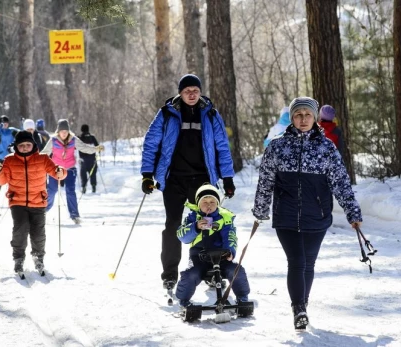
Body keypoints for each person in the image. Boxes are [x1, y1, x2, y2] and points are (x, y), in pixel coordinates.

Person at [252, 97, 363, 330]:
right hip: (286, 215)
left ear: (315, 118)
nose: (303, 119)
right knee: (297, 260)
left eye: (307, 115)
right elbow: (265, 182)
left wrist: (353, 212)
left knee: (309, 263)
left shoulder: (326, 147)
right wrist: (261, 210)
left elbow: (341, 182)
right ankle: (299, 309)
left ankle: (303, 303)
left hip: (317, 214)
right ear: (292, 118)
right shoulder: (277, 145)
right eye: (298, 115)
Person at [140, 74, 235, 291]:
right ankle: (170, 274)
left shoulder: (210, 114)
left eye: (195, 90)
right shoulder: (167, 113)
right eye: (187, 91)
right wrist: (147, 174)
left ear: (200, 92)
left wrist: (227, 177)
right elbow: (151, 143)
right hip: (174, 179)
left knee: (207, 224)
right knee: (172, 224)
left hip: (202, 180)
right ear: (180, 93)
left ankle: (209, 270)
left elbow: (222, 146)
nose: (191, 95)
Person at [0, 131, 65, 274]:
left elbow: (57, 172)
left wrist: (60, 171)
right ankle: (18, 259)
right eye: (22, 145)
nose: (25, 147)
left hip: (38, 201)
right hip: (17, 201)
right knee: (20, 229)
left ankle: (38, 257)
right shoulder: (9, 160)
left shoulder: (43, 158)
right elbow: (1, 181)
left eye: (28, 144)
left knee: (38, 233)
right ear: (16, 147)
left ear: (33, 145)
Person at [175, 184, 250, 314]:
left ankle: (242, 299)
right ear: (198, 204)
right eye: (204, 202)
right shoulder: (192, 218)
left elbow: (230, 236)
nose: (208, 205)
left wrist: (230, 251)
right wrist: (196, 227)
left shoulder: (225, 218)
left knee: (236, 271)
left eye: (212, 202)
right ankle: (184, 302)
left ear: (217, 204)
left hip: (221, 257)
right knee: (190, 274)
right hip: (199, 258)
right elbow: (182, 236)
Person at [41, 119, 104, 224]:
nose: (64, 133)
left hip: (70, 169)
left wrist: (96, 149)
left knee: (70, 191)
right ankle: (43, 211)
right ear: (58, 131)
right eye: (62, 131)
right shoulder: (53, 140)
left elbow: (84, 148)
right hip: (55, 169)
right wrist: (33, 160)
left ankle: (74, 215)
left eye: (66, 131)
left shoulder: (73, 139)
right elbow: (44, 153)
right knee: (52, 190)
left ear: (68, 131)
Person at [0, 115, 19, 204]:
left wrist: (22, 124)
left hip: (11, 157)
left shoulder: (12, 130)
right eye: (3, 123)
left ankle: (13, 197)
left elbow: (22, 134)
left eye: (6, 123)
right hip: (0, 158)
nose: (5, 125)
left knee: (13, 179)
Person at [77, 124, 99, 194]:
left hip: (83, 159)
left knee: (83, 174)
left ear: (81, 129)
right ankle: (93, 186)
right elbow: (97, 146)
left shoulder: (79, 138)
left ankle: (84, 187)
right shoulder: (92, 137)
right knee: (93, 173)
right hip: (92, 158)